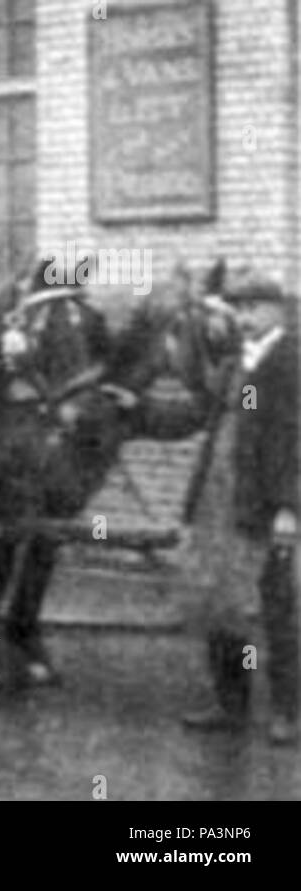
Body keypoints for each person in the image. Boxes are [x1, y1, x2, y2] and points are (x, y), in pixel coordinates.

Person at [181, 270, 298, 747]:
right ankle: (230, 704)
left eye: (254, 308)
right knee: (220, 597)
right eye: (240, 309)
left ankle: (289, 711)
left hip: (267, 505)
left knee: (276, 607)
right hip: (220, 498)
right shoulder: (234, 364)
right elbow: (205, 406)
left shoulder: (292, 361)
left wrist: (291, 508)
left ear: (279, 310)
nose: (245, 318)